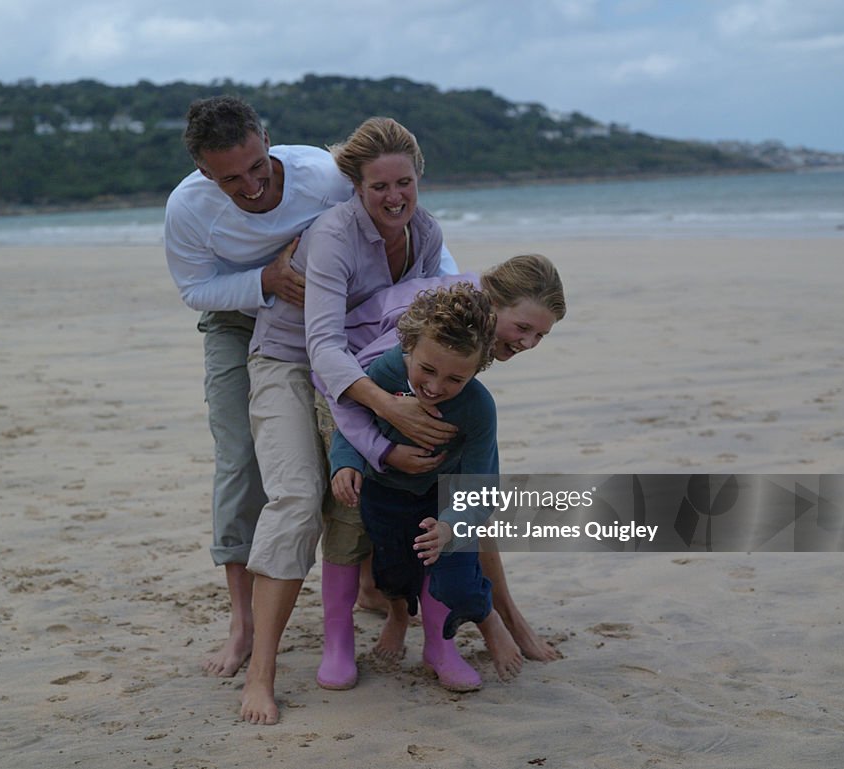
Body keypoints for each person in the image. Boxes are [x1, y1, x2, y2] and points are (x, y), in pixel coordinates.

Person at [241, 117, 460, 724]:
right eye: (379, 187)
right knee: (296, 497)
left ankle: (408, 612)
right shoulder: (336, 234)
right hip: (290, 359)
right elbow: (322, 345)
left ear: (419, 179)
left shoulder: (427, 232)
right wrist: (387, 405)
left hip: (365, 366)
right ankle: (261, 674)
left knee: (396, 478)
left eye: (405, 184)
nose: (394, 198)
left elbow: (411, 331)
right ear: (356, 189)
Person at [163, 95, 353, 677]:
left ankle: (366, 581)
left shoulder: (322, 176)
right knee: (241, 458)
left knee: (340, 445)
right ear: (203, 171)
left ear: (266, 139)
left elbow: (379, 226)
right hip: (236, 316)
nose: (248, 186)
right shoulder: (188, 209)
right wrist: (265, 280)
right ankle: (242, 621)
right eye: (229, 178)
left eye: (256, 168)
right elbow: (196, 290)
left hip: (316, 310)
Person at [314, 254, 566, 691]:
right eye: (523, 328)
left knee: (453, 521)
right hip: (344, 389)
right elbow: (350, 395)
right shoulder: (417, 346)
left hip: (419, 418)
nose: (528, 343)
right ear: (491, 302)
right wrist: (378, 452)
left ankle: (459, 629)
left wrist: (452, 519)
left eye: (540, 335)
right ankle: (379, 624)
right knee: (356, 526)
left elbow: (480, 482)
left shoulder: (463, 373)